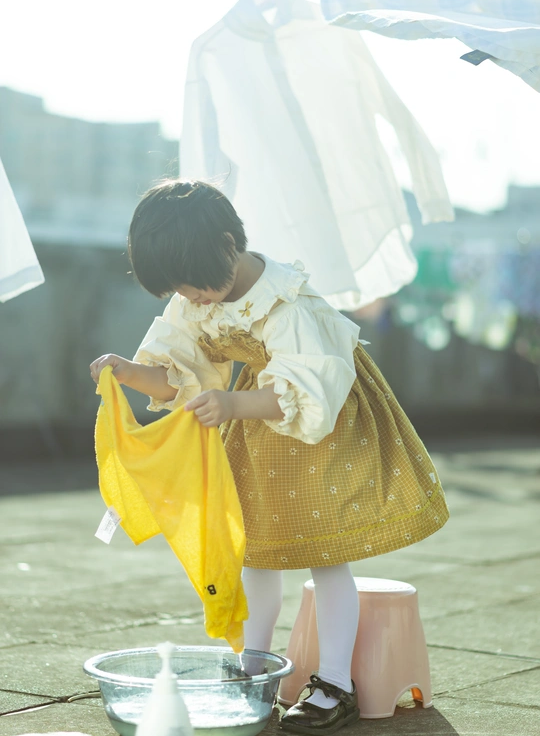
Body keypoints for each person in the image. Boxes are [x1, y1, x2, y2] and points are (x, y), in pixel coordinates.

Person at [90, 179, 449, 734]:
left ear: (228, 245)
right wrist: (129, 372)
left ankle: (336, 682)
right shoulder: (196, 298)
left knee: (325, 553)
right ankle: (251, 667)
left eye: (197, 286)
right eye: (181, 292)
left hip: (321, 421)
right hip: (258, 424)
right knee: (254, 549)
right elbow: (178, 375)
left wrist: (234, 403)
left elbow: (306, 391)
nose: (194, 299)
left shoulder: (286, 301)